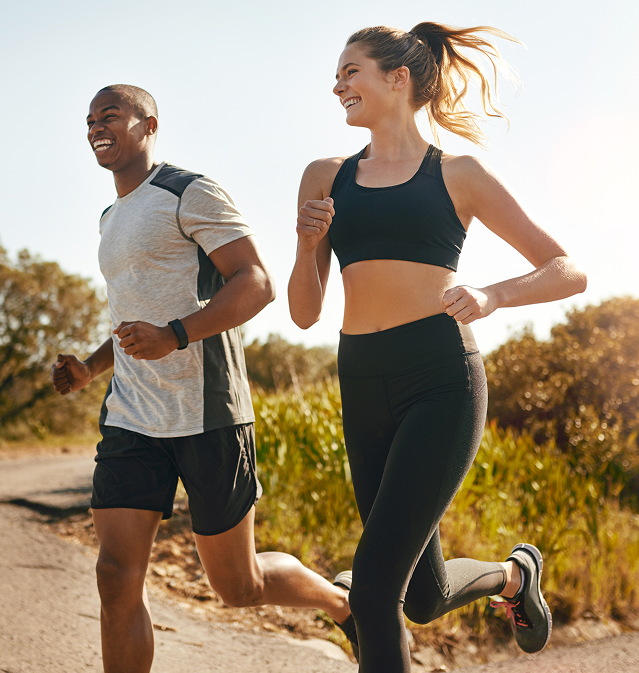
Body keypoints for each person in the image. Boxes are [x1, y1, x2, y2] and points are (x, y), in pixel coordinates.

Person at [288, 22, 587, 673]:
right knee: (420, 596)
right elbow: (305, 312)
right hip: (361, 380)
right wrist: (308, 246)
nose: (337, 84)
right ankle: (514, 575)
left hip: (439, 378)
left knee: (370, 588)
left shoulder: (457, 174)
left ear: (397, 79)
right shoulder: (323, 175)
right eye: (337, 74)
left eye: (350, 71)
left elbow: (566, 269)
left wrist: (492, 296)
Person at [51, 84, 353, 673]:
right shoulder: (111, 217)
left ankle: (344, 605)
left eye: (109, 115)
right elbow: (128, 318)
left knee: (237, 586)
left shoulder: (189, 192)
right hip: (132, 415)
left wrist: (176, 334)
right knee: (115, 577)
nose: (96, 127)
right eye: (89, 120)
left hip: (208, 412)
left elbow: (256, 282)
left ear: (148, 123)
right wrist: (90, 368)